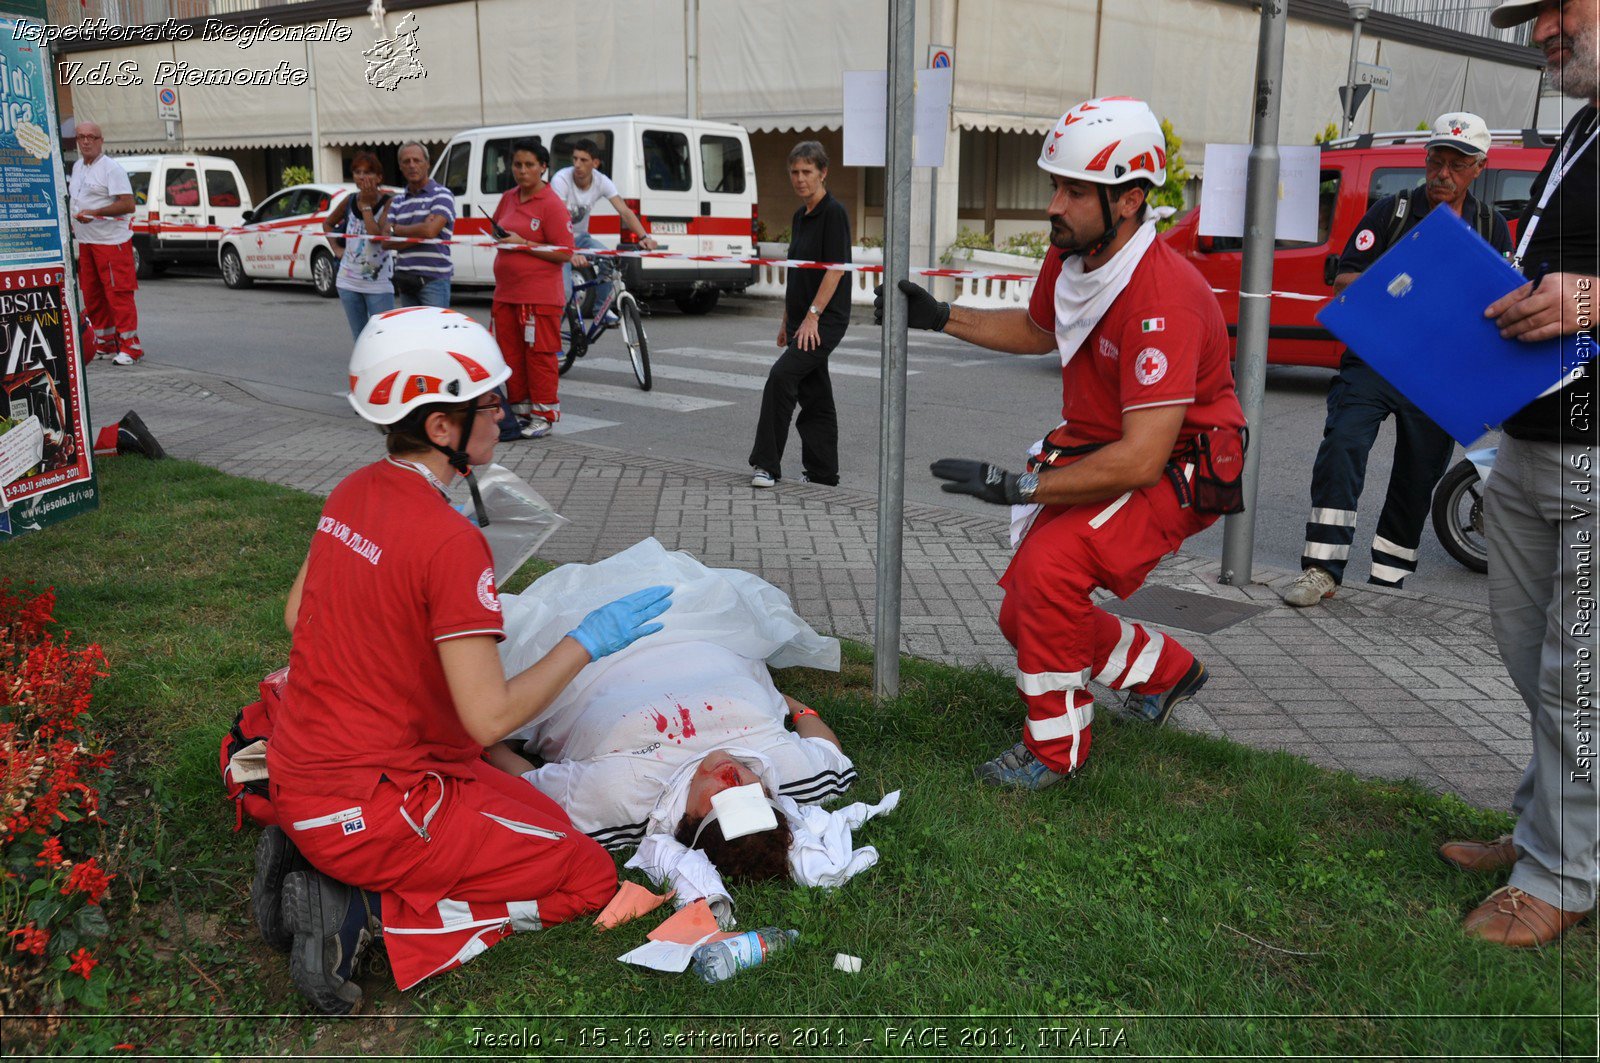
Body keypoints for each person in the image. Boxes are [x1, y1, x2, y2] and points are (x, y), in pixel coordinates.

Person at [257, 306, 672, 1012]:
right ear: (442, 428)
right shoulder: (452, 542)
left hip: (306, 771)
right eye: (489, 403)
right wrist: (587, 639)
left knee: (545, 816)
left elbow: (299, 616)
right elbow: (488, 719)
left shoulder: (353, 488)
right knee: (587, 874)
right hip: (378, 802)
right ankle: (363, 910)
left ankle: (319, 853)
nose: (502, 416)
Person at [879, 97, 1245, 789]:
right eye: (1056, 184)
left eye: (1075, 189)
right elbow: (1039, 329)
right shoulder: (1077, 252)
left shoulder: (1160, 297)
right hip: (1108, 444)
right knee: (1025, 610)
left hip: (1178, 464)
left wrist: (1020, 486)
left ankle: (1055, 751)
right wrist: (940, 315)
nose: (1055, 203)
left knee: (1048, 576)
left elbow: (1142, 457)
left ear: (1130, 200)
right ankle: (1165, 672)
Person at [1442, 0, 1599, 949]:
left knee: (1579, 679)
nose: (1541, 28)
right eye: (1531, 13)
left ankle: (1562, 877)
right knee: (1533, 661)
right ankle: (1548, 827)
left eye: (1560, 6)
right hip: (1531, 440)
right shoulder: (1583, 123)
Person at [1282, 113, 1512, 607]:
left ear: (1478, 168)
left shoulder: (1491, 227)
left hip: (1437, 377)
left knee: (1417, 476)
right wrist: (1405, 279)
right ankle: (1321, 569)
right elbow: (1344, 281)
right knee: (1342, 448)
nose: (1442, 174)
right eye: (1436, 161)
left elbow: (1499, 308)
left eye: (1456, 164)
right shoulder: (1392, 211)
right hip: (1374, 359)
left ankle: (1388, 581)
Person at [748, 141, 851, 489]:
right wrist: (786, 321)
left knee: (781, 378)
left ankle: (766, 464)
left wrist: (811, 317)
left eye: (807, 171)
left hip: (825, 320)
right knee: (815, 393)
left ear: (823, 173)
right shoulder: (799, 215)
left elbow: (835, 270)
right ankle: (823, 474)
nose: (800, 178)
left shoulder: (833, 213)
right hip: (802, 319)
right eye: (795, 172)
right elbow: (798, 271)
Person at [490, 140, 573, 440]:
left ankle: (543, 415)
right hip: (507, 294)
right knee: (511, 357)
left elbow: (564, 251)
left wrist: (524, 244)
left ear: (543, 168)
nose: (522, 171)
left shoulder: (551, 204)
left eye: (528, 165)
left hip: (539, 298)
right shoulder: (509, 197)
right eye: (517, 165)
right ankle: (521, 412)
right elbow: (499, 228)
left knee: (539, 357)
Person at [548, 138, 658, 324]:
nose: (577, 165)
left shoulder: (601, 181)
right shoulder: (561, 179)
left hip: (582, 238)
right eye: (575, 159)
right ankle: (553, 344)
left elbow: (624, 210)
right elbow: (559, 220)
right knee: (564, 292)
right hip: (560, 242)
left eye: (583, 160)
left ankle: (602, 311)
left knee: (609, 261)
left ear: (595, 163)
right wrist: (570, 251)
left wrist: (644, 236)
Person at [68, 121, 143, 366]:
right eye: (81, 137)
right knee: (92, 294)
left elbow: (128, 204)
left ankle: (131, 347)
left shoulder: (111, 168)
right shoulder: (78, 166)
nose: (86, 141)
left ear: (101, 140)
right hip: (87, 242)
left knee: (118, 294)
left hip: (112, 243)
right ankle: (106, 343)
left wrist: (95, 212)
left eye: (91, 137)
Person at [323, 151, 395, 340]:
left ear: (379, 177)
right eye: (357, 171)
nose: (362, 177)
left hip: (378, 282)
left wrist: (367, 206)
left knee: (383, 337)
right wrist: (337, 249)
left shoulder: (389, 201)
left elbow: (375, 236)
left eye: (368, 172)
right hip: (348, 280)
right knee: (360, 337)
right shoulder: (350, 200)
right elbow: (328, 223)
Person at [385, 141, 455, 308]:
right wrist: (421, 231)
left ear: (428, 164)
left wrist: (398, 229)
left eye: (417, 160)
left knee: (435, 333)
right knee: (412, 334)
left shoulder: (443, 195)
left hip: (434, 281)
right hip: (405, 280)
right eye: (406, 161)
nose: (412, 165)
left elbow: (430, 231)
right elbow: (385, 241)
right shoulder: (397, 201)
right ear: (400, 167)